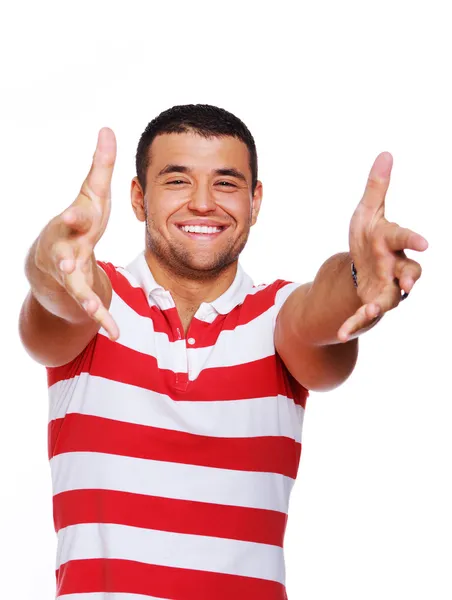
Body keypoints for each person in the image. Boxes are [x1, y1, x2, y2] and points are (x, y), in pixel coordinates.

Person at [18, 104, 428, 600]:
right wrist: (49, 259)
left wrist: (361, 276)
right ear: (138, 198)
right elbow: (55, 295)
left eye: (227, 183)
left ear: (255, 201)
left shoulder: (275, 315)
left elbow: (322, 307)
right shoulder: (95, 300)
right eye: (177, 181)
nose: (203, 204)